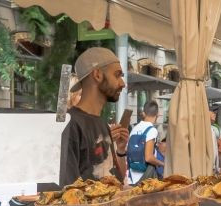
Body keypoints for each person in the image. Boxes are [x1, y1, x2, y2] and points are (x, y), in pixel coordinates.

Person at [59, 47, 129, 186]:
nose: (122, 83)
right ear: (97, 75)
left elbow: (116, 179)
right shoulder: (70, 125)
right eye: (117, 75)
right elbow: (69, 192)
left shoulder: (102, 124)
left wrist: (121, 150)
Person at [126, 100, 164, 185]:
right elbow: (148, 157)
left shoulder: (134, 128)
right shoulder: (152, 130)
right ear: (157, 114)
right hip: (145, 178)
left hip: (131, 177)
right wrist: (163, 164)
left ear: (144, 113)